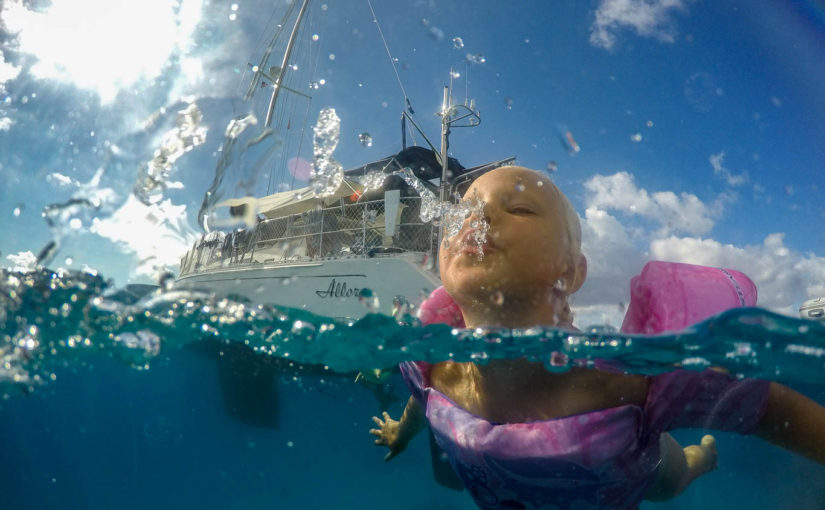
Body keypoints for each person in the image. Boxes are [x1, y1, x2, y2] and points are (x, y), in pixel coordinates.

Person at [370, 166, 825, 509]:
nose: (480, 215)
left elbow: (770, 410)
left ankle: (703, 457)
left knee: (673, 479)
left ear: (571, 272)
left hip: (629, 470)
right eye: (465, 209)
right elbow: (418, 400)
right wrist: (400, 433)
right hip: (495, 479)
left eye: (521, 208)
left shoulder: (622, 384)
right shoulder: (435, 365)